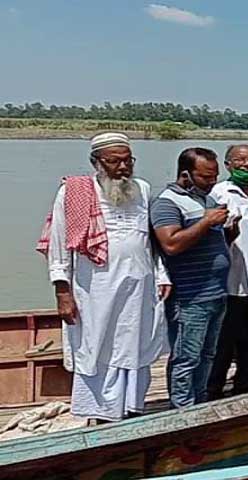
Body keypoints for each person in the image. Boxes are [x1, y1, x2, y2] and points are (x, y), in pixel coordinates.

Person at [37, 132, 170, 422]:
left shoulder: (143, 189)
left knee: (134, 343)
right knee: (95, 346)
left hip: (139, 285)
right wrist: (62, 293)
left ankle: (131, 406)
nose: (123, 168)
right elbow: (59, 246)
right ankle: (98, 412)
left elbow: (150, 242)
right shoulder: (74, 193)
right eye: (114, 162)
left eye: (127, 161)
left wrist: (162, 275)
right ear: (96, 162)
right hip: (93, 288)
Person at [151, 147, 230, 408]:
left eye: (215, 176)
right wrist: (207, 223)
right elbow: (171, 244)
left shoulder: (205, 200)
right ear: (186, 174)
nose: (212, 183)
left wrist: (230, 229)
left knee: (207, 355)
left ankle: (200, 402)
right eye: (206, 177)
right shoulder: (166, 203)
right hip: (190, 298)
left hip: (216, 293)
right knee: (186, 358)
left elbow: (210, 241)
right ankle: (182, 409)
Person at [206, 145, 248, 399]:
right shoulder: (218, 194)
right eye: (240, 160)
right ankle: (213, 387)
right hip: (228, 281)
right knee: (223, 339)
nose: (247, 164)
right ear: (228, 164)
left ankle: (245, 379)